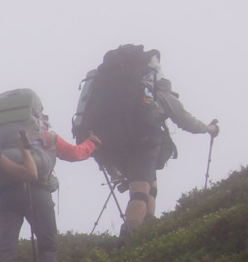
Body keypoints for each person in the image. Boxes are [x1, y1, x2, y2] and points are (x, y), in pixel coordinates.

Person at [77, 46, 218, 237]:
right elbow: (184, 120)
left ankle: (149, 226)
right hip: (142, 141)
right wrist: (208, 129)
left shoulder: (115, 89)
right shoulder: (154, 91)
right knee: (140, 191)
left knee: (149, 182)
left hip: (109, 143)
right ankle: (130, 237)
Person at [0, 95, 98, 262]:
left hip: (2, 194)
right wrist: (93, 143)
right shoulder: (47, 137)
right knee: (48, 245)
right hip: (36, 191)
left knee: (6, 249)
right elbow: (77, 154)